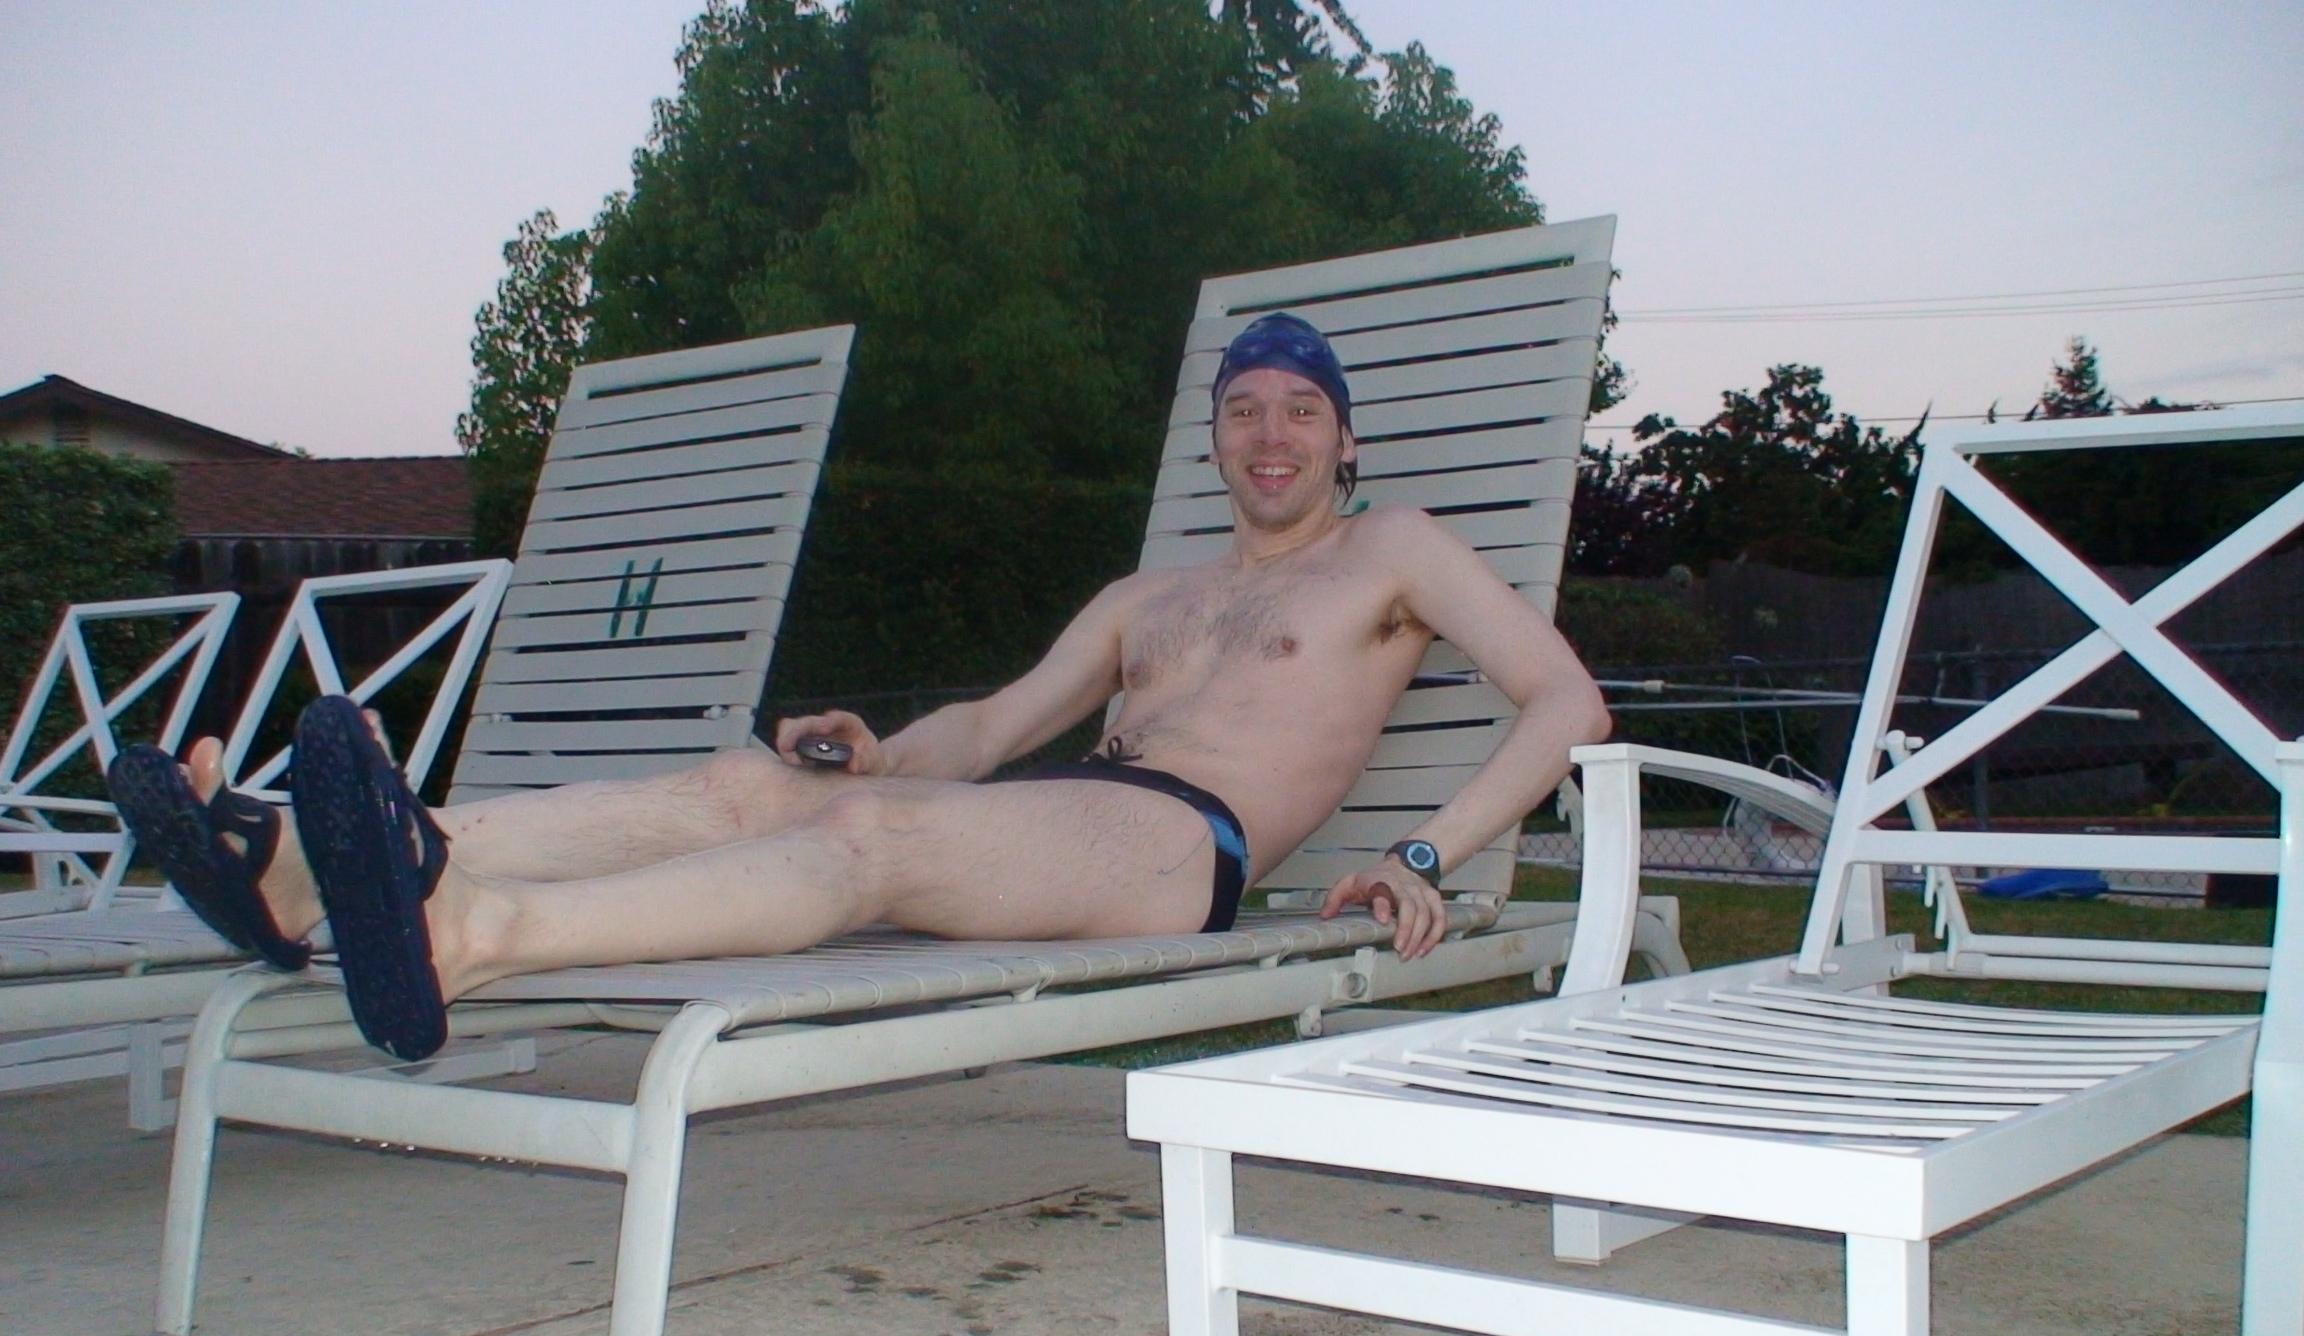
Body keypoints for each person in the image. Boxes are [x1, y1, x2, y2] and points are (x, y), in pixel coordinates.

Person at [111, 313, 1610, 1061]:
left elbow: (1565, 702)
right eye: (1244, 411)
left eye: (1301, 413)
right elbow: (994, 732)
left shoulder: (1399, 550)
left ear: (1345, 442)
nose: (1271, 435)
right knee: (758, 787)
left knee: (871, 847)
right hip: (1068, 809)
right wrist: (879, 743)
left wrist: (1428, 854)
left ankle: (477, 938)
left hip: (1187, 848)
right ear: (1214, 439)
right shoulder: (1149, 598)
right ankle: (303, 866)